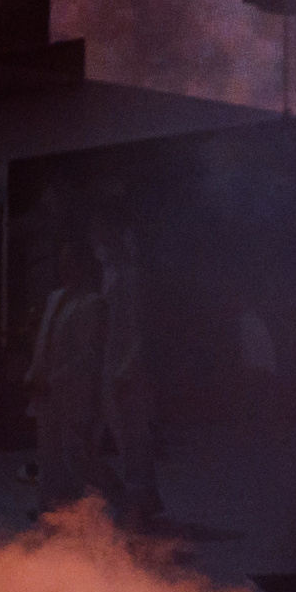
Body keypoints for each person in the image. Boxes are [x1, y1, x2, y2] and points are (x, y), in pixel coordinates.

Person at [89, 209, 165, 527]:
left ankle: (139, 502)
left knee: (132, 436)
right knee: (121, 435)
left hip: (124, 368)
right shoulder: (111, 272)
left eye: (101, 229)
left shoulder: (129, 276)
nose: (96, 237)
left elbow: (138, 328)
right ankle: (135, 500)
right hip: (112, 364)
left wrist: (126, 368)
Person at [25, 238, 109, 514]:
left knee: (74, 455)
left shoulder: (92, 303)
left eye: (70, 262)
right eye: (62, 262)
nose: (64, 268)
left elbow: (88, 355)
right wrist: (33, 375)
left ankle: (82, 513)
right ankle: (51, 511)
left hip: (73, 393)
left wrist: (53, 381)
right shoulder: (55, 298)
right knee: (48, 455)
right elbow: (45, 343)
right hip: (46, 391)